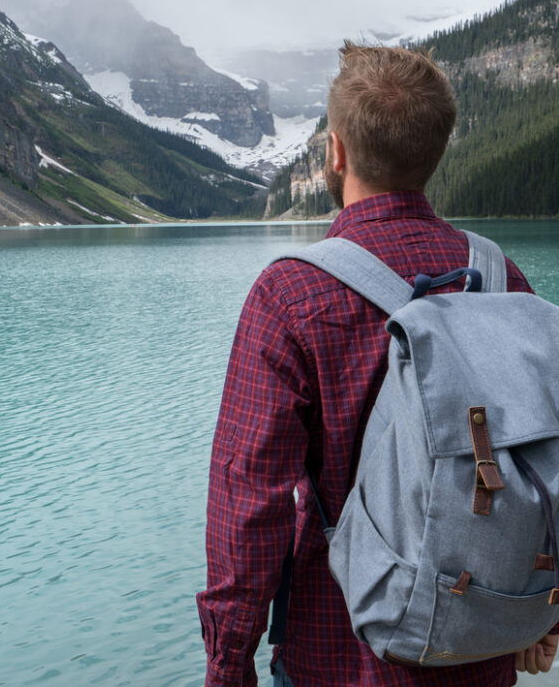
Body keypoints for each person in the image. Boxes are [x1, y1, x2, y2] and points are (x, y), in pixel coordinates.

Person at [196, 44, 558, 686]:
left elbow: (250, 500)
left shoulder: (289, 295)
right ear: (437, 149)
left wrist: (228, 664)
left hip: (338, 652)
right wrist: (541, 615)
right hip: (482, 644)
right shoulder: (503, 278)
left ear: (335, 152)